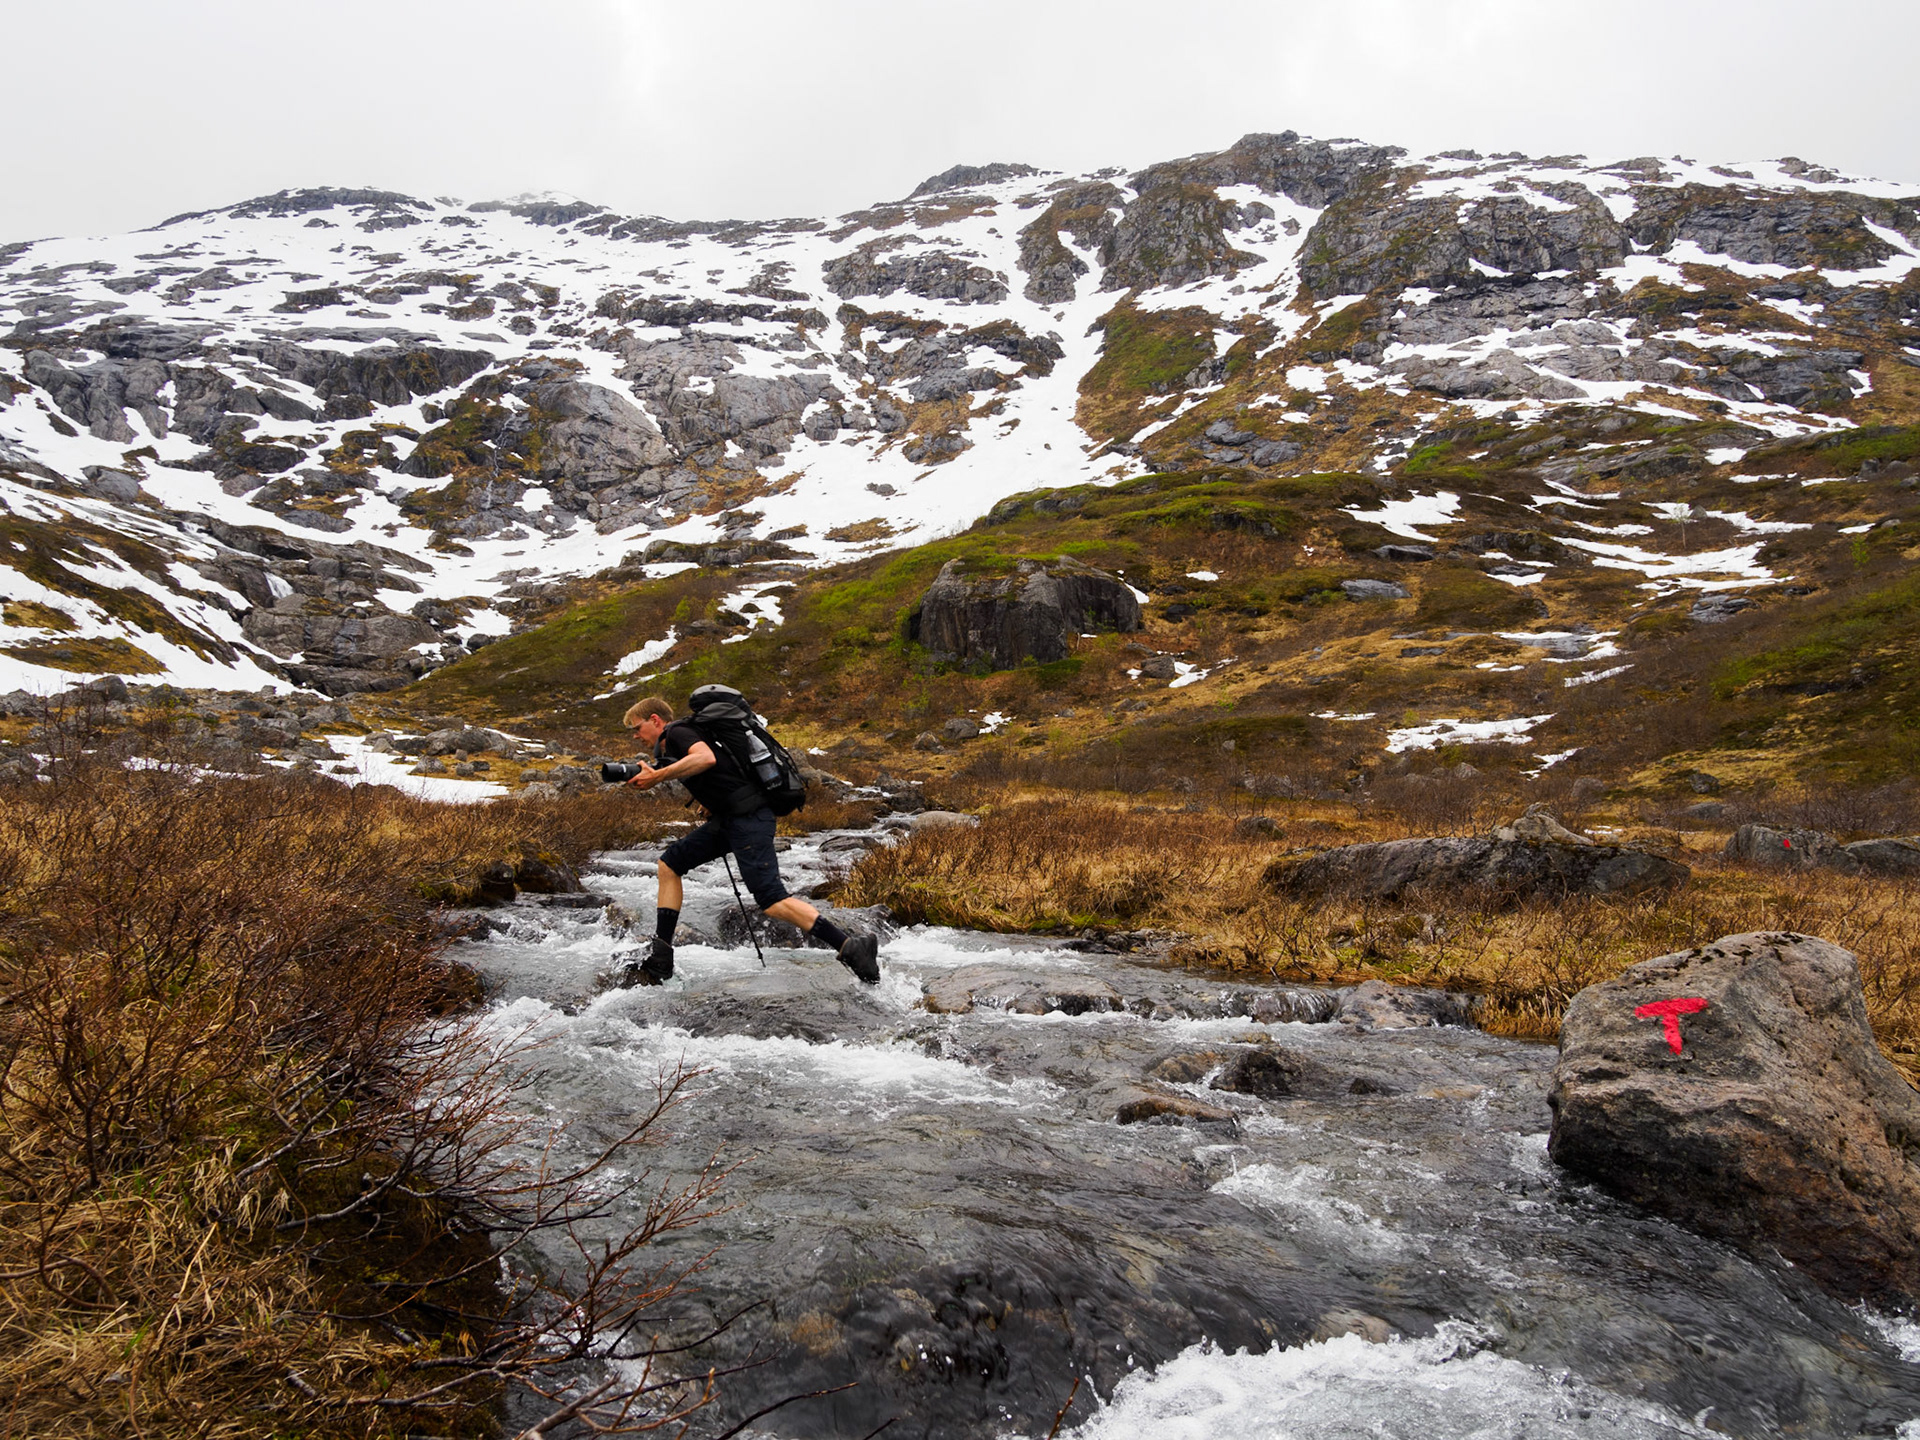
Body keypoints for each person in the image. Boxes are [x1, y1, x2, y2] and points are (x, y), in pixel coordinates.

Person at [617, 695, 881, 986]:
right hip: (732, 820)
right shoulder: (679, 740)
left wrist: (658, 777)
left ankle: (851, 947)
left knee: (772, 900)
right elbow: (721, 772)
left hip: (749, 820)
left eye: (637, 727)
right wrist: (712, 801)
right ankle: (661, 956)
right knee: (670, 865)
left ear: (655, 720)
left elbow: (706, 758)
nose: (635, 735)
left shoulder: (678, 733)